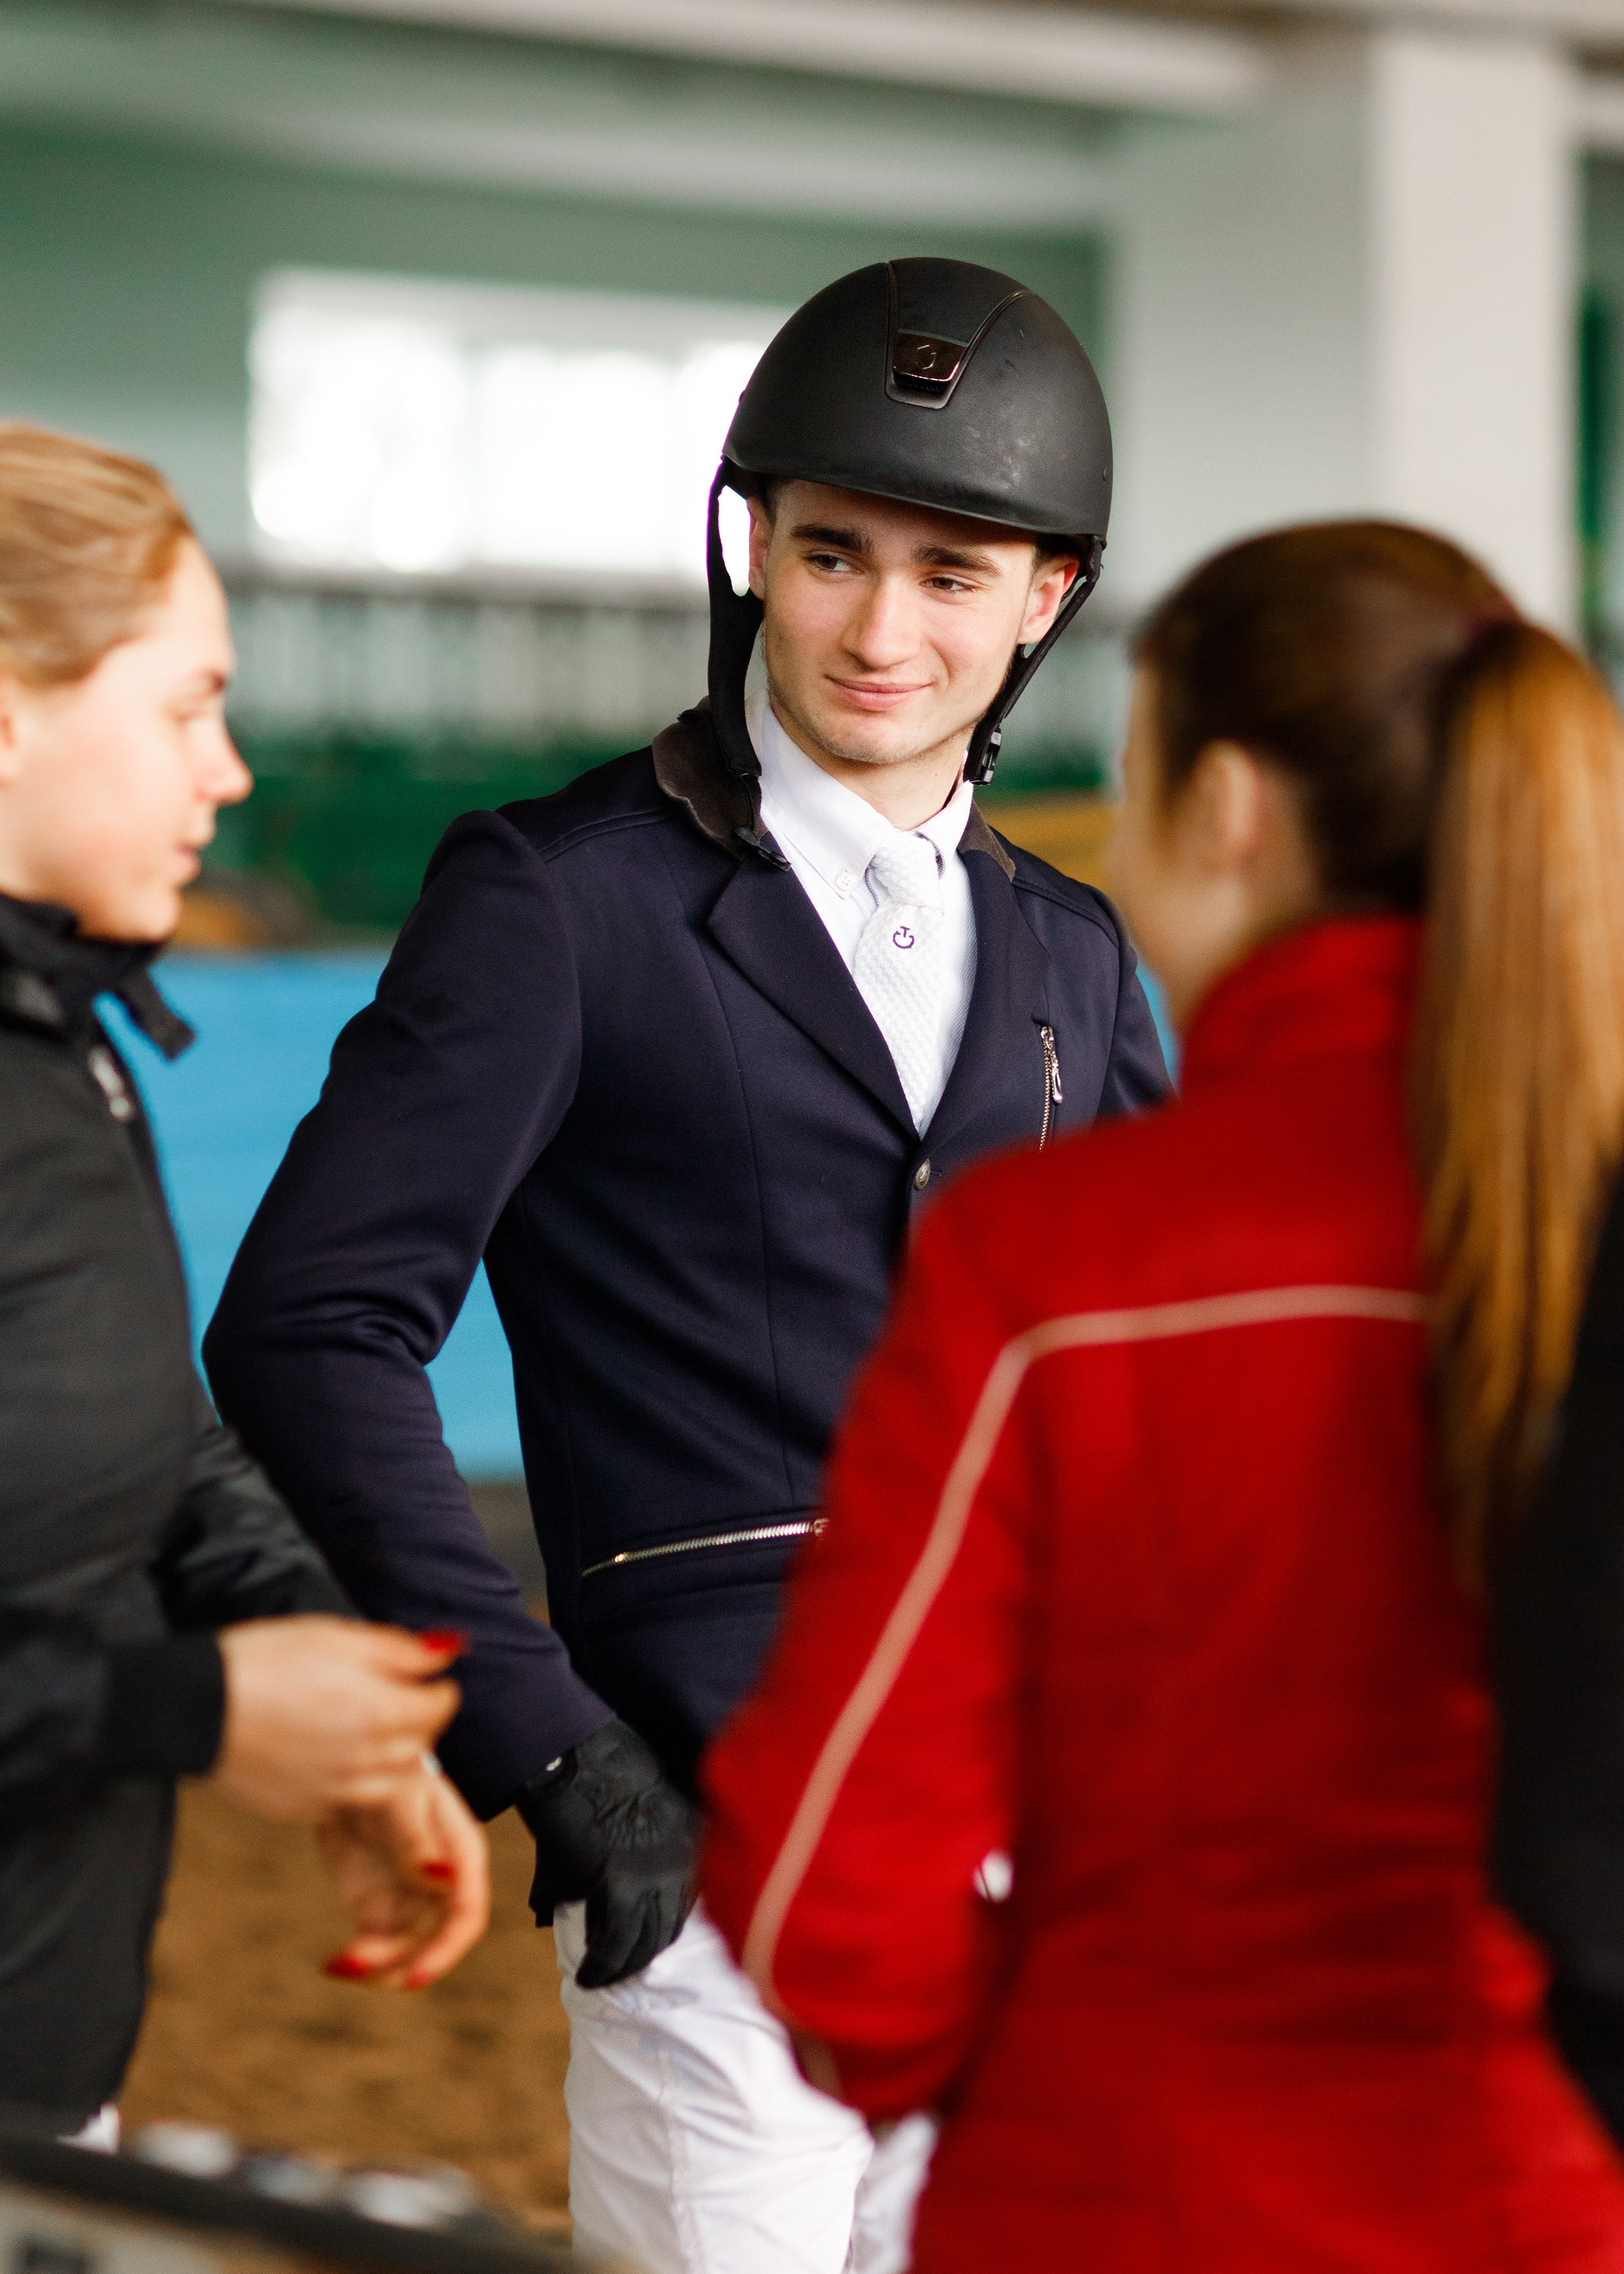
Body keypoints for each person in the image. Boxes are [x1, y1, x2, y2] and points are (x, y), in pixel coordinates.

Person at [202, 257, 1168, 2272]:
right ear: (751, 545)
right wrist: (548, 1743)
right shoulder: (561, 899)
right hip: (715, 1861)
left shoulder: (1075, 949)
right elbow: (310, 1325)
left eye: (951, 577)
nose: (880, 630)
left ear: (1047, 601)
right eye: (831, 555)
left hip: (1038, 1858)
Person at [702, 520, 1624, 2272]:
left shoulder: (1056, 1267)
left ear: (1228, 809)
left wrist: (1014, 2067)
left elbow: (831, 1873)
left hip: (1122, 2188)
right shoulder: (1582, 1224)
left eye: (1129, 784)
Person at [0, 424, 489, 2141]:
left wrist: (311, 1676)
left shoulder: (66, 1031)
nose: (230, 775)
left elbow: (152, 1434)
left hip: (55, 2101)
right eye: (184, 706)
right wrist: (197, 1709)